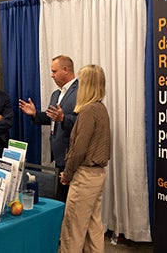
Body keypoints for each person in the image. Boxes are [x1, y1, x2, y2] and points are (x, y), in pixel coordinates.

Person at [59, 64, 110, 253]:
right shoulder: (100, 108)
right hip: (97, 175)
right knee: (92, 227)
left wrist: (68, 174)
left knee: (73, 229)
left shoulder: (88, 111)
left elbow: (79, 149)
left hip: (85, 176)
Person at [19, 55, 78, 202]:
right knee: (61, 199)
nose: (51, 75)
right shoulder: (56, 94)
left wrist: (64, 118)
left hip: (72, 155)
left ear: (65, 70)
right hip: (59, 156)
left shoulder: (81, 91)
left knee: (72, 201)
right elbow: (52, 117)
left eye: (54, 71)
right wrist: (35, 114)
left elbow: (84, 122)